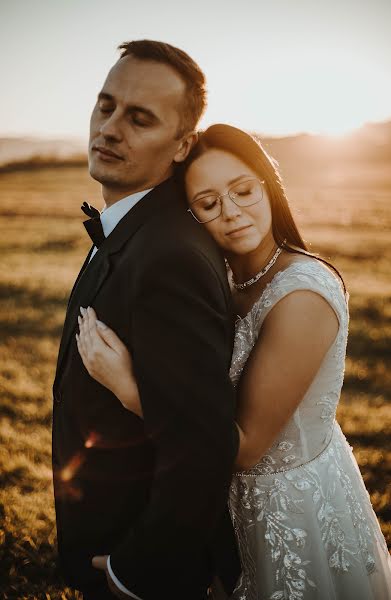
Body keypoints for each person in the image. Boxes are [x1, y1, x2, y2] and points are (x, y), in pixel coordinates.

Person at [77, 124, 391, 599]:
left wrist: (130, 389)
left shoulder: (303, 293)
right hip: (222, 508)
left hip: (293, 509)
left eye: (243, 191)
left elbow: (245, 446)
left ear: (269, 185)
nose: (232, 212)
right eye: (208, 204)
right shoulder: (217, 280)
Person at [52, 42, 241, 600]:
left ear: (183, 145)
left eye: (139, 118)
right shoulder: (133, 229)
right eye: (105, 106)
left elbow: (202, 446)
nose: (110, 128)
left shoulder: (170, 256)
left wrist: (134, 575)